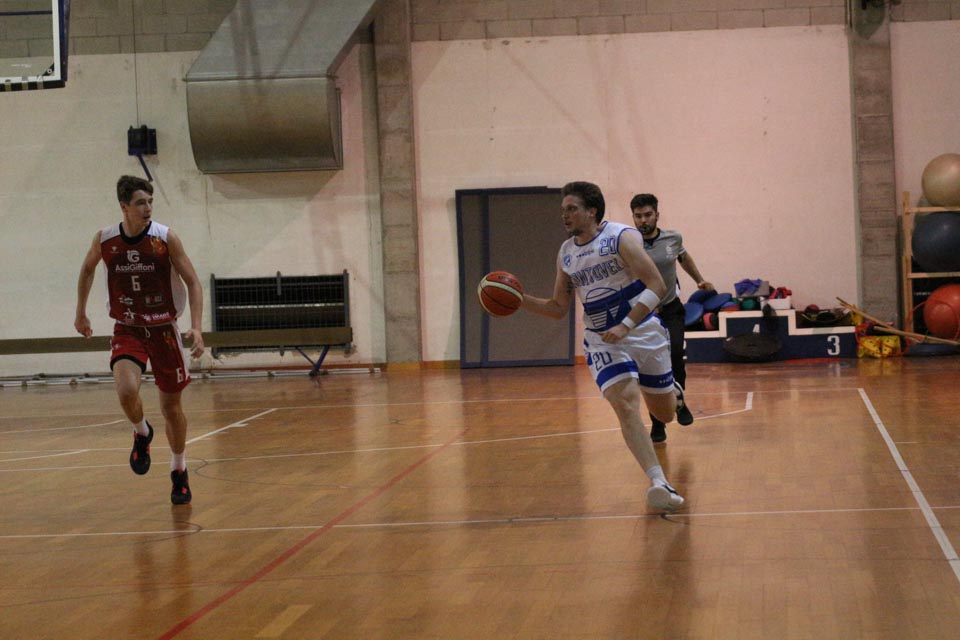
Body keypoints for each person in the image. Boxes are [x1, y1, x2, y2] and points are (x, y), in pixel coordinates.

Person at [521, 181, 685, 512]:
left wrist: (626, 324)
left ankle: (675, 393)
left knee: (664, 413)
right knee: (625, 404)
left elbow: (656, 284)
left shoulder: (620, 237)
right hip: (602, 341)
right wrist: (519, 300)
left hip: (642, 332)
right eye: (563, 210)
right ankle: (659, 481)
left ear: (592, 210)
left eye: (572, 209)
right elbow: (558, 308)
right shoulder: (566, 253)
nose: (565, 215)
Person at [75, 175, 205, 505]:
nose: (148, 208)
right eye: (140, 203)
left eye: (150, 202)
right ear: (124, 207)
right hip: (128, 327)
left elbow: (193, 281)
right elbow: (87, 270)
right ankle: (142, 432)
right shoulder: (105, 239)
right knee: (126, 389)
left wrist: (197, 327)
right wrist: (81, 313)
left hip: (164, 329)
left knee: (171, 408)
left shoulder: (165, 238)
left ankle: (179, 470)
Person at [632, 193, 713, 443]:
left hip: (671, 309)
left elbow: (684, 257)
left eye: (648, 215)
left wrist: (699, 280)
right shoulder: (628, 243)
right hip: (645, 314)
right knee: (653, 366)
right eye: (638, 216)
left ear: (657, 215)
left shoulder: (672, 238)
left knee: (676, 354)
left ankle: (679, 402)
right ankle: (658, 423)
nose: (643, 220)